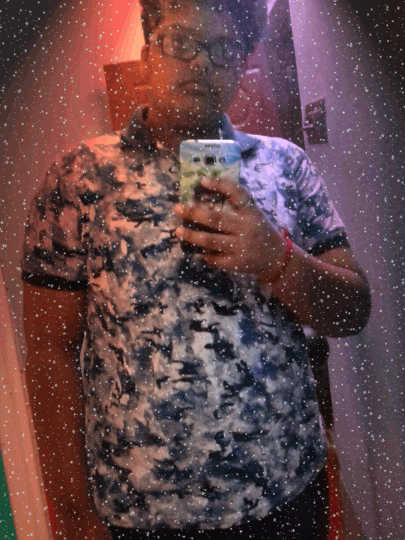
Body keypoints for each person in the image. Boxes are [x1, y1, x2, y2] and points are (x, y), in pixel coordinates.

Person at [21, 0, 372, 539]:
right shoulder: (78, 177)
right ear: (149, 51)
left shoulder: (285, 165)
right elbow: (50, 348)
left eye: (223, 48)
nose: (200, 63)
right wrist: (72, 513)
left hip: (285, 494)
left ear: (243, 61)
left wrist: (278, 261)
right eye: (180, 42)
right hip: (141, 515)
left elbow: (352, 310)